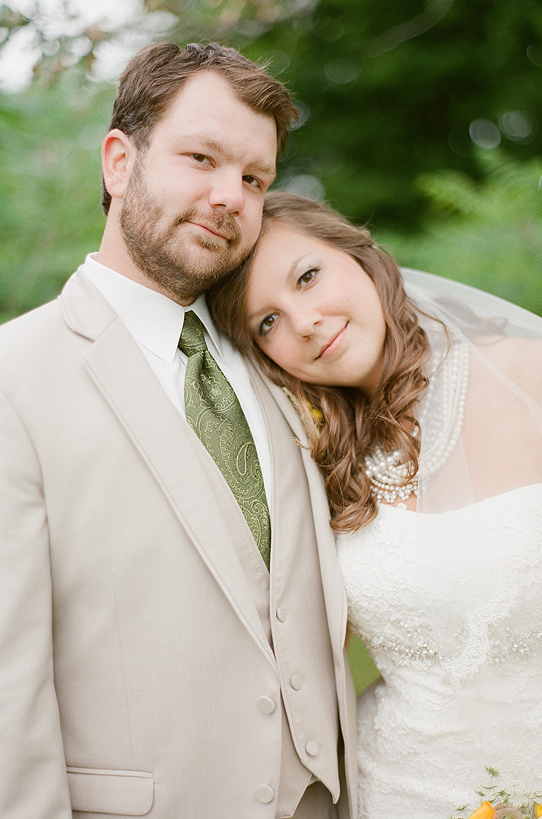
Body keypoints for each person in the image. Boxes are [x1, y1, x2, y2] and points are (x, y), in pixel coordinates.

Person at [0, 45, 357, 818]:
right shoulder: (14, 379)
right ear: (119, 162)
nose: (230, 196)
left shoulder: (280, 355)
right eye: (202, 158)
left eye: (255, 179)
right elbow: (8, 693)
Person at [209, 191, 542, 819]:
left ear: (360, 256)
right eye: (268, 322)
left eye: (308, 277)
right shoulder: (311, 464)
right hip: (396, 795)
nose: (305, 320)